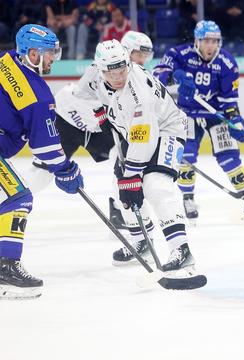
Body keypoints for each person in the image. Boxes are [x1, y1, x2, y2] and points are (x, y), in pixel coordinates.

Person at [91, 39, 204, 280]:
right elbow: (94, 96)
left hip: (168, 130)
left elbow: (146, 136)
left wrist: (132, 173)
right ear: (100, 70)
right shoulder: (99, 79)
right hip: (136, 134)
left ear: (127, 65)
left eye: (122, 70)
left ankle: (181, 249)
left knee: (155, 184)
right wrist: (102, 114)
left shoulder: (138, 93)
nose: (118, 77)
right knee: (118, 188)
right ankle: (141, 242)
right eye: (112, 73)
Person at [27, 31, 154, 231]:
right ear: (126, 52)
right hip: (69, 120)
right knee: (44, 171)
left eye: (146, 55)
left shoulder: (133, 73)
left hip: (97, 128)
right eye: (139, 54)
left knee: (124, 160)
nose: (143, 59)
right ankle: (11, 201)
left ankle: (119, 208)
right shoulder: (102, 69)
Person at [0, 24, 84, 299]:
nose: (53, 60)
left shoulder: (7, 60)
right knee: (19, 198)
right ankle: (6, 269)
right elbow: (46, 147)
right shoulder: (36, 94)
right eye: (50, 54)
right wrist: (66, 170)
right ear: (33, 54)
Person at [153, 20, 244, 222]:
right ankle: (187, 197)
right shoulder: (179, 54)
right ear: (197, 41)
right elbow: (157, 75)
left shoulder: (227, 62)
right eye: (206, 40)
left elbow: (229, 101)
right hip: (187, 113)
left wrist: (235, 120)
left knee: (229, 157)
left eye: (215, 41)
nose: (211, 46)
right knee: (186, 157)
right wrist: (176, 76)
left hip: (215, 115)